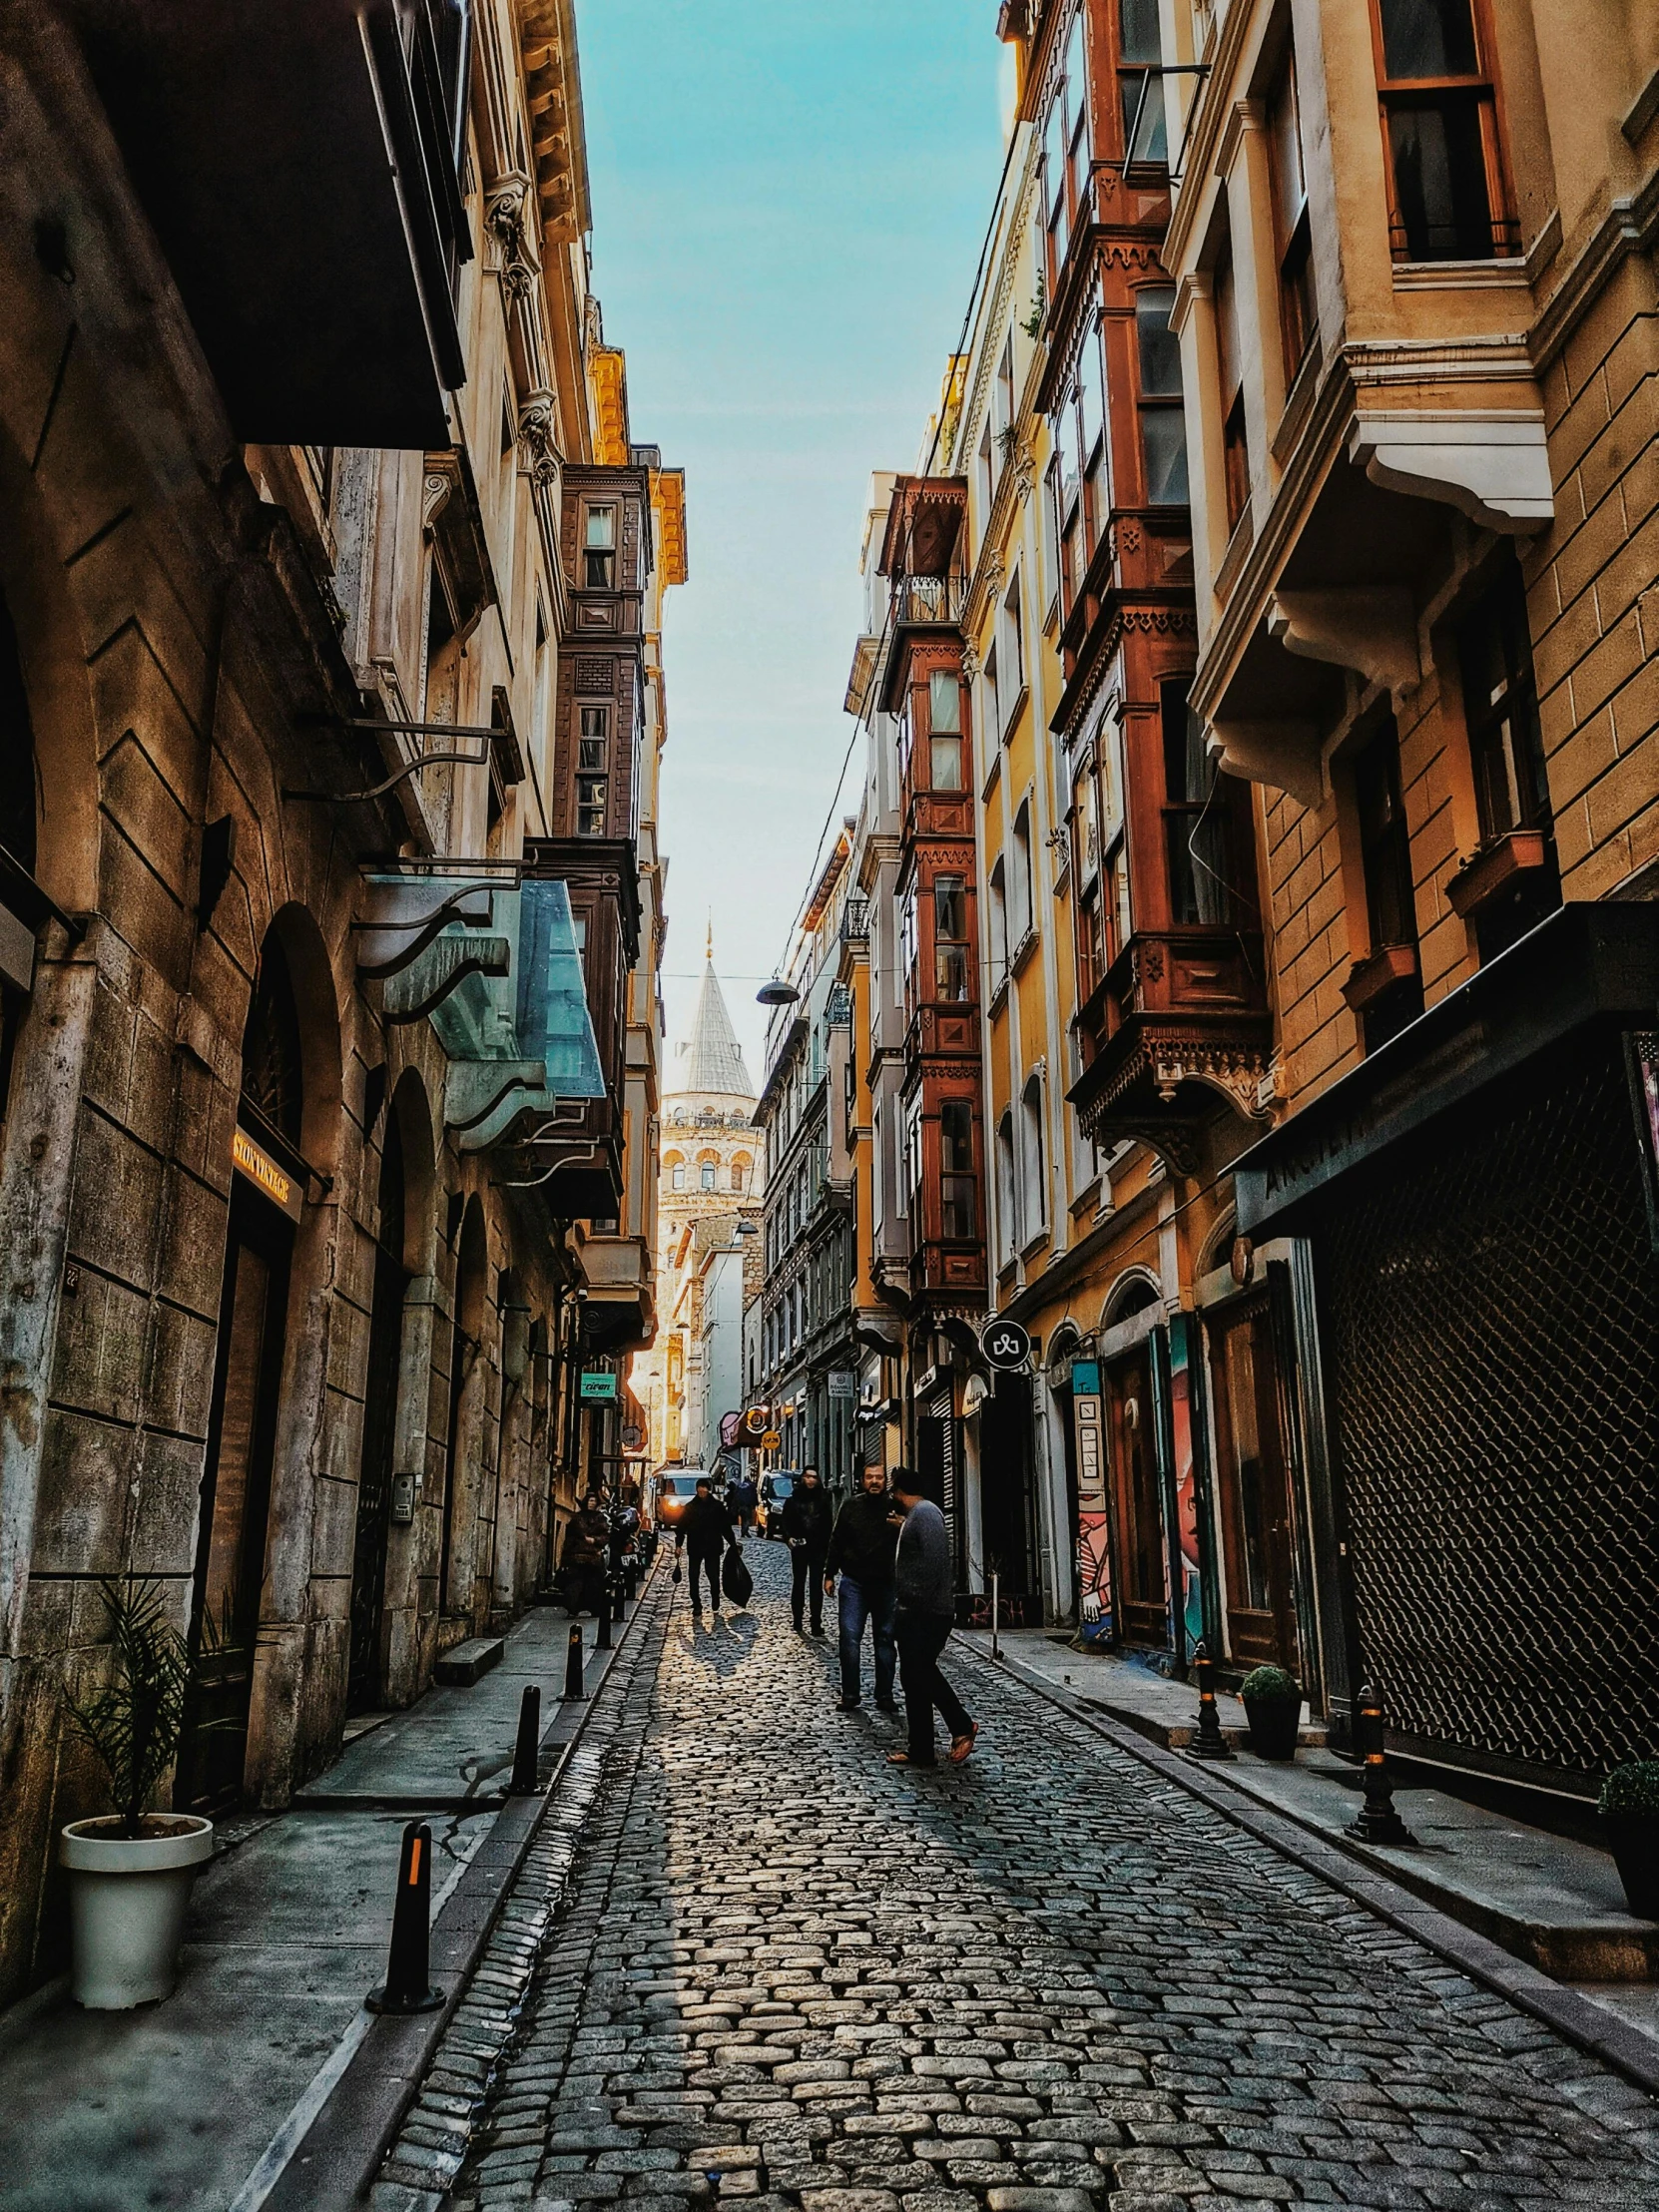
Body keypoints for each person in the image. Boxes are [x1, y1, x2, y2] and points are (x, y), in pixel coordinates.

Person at [887, 1467, 976, 1768]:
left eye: (894, 1491)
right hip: (916, 1611)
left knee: (921, 1671)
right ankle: (922, 1748)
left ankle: (961, 1725)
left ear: (900, 1491)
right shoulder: (917, 1516)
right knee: (913, 1677)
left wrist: (913, 1599)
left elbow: (935, 1562)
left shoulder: (926, 1513)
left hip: (927, 1612)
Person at [824, 1463, 899, 1714]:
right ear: (862, 1480)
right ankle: (850, 1693)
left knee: (886, 1640)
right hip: (854, 1581)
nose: (875, 1481)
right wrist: (829, 1573)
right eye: (870, 1477)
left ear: (885, 1480)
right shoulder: (851, 1506)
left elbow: (910, 1541)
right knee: (849, 1639)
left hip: (887, 1583)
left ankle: (885, 1694)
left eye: (879, 1477)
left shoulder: (896, 1508)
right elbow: (837, 1539)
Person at [779, 1466, 833, 1635]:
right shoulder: (793, 1500)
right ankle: (797, 1619)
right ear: (802, 1478)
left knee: (816, 1586)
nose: (810, 1480)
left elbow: (827, 1525)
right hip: (800, 1547)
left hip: (817, 1548)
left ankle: (816, 1622)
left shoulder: (823, 1500)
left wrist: (827, 1549)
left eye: (814, 1477)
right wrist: (788, 1538)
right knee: (799, 1583)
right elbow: (785, 1522)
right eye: (808, 1477)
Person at [675, 1475, 732, 1620]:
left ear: (708, 1491)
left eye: (704, 1492)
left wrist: (732, 1542)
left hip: (712, 1547)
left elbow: (725, 1527)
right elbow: (681, 1527)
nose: (701, 1494)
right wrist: (678, 1545)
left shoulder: (717, 1507)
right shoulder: (690, 1507)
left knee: (713, 1575)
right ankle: (697, 1604)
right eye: (699, 1492)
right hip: (695, 1547)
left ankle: (715, 1596)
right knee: (693, 1576)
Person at [562, 1492, 612, 1617]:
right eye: (590, 1501)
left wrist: (595, 1541)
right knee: (575, 1584)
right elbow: (570, 1537)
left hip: (594, 1556)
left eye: (594, 1501)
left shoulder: (601, 1519)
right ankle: (573, 1609)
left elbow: (606, 1536)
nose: (592, 1504)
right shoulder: (577, 1518)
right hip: (577, 1556)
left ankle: (594, 1608)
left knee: (594, 1585)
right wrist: (566, 1556)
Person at [729, 1468, 759, 1537]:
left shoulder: (740, 1486)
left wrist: (735, 1507)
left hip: (740, 1506)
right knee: (747, 1519)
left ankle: (744, 1532)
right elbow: (754, 1495)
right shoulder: (751, 1486)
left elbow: (735, 1496)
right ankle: (744, 1531)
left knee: (743, 1519)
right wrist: (755, 1504)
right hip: (747, 1506)